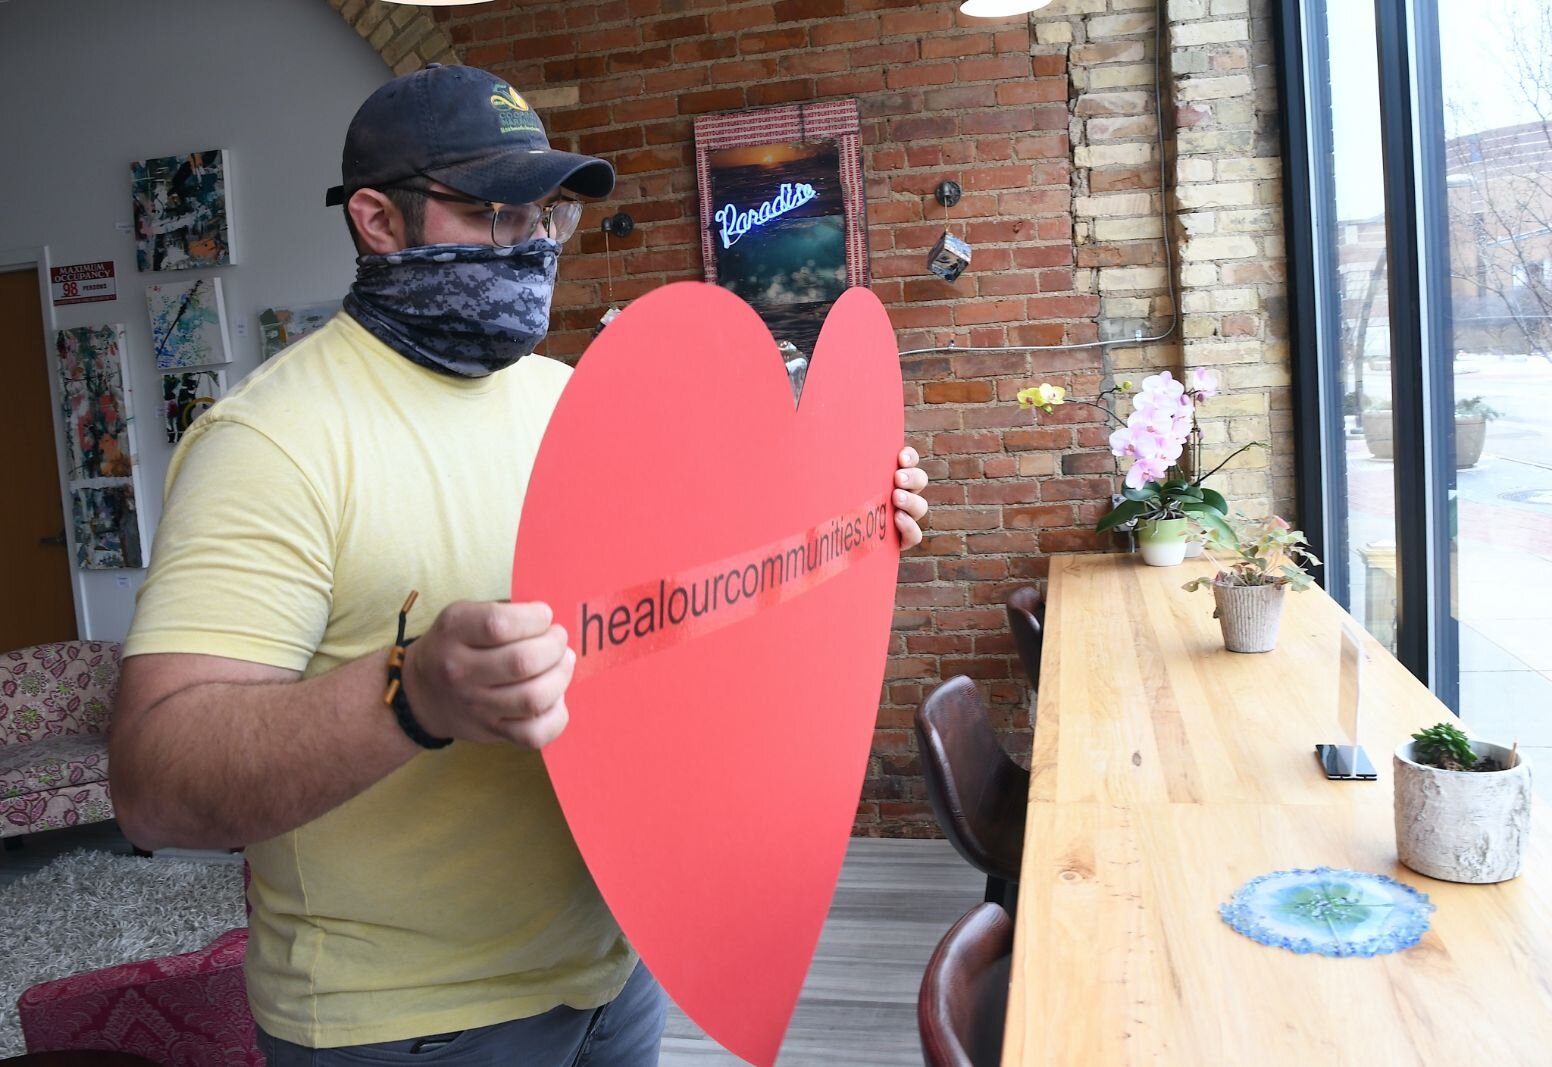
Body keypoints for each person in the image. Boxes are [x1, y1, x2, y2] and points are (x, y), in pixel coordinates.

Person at [108, 65, 931, 1066]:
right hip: (409, 1024)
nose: (535, 243)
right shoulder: (271, 441)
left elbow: (680, 608)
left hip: (615, 971)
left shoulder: (565, 398)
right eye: (496, 215)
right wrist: (412, 694)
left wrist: (843, 528)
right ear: (378, 220)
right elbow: (153, 779)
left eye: (548, 214)